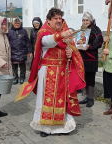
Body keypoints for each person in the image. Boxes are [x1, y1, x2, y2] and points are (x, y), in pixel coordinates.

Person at [28, 8, 86, 137]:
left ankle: (63, 127)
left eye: (60, 18)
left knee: (62, 100)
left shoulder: (64, 32)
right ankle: (45, 128)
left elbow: (70, 48)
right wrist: (62, 35)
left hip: (62, 72)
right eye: (55, 18)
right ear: (48, 20)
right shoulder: (44, 32)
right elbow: (48, 41)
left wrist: (70, 53)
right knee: (45, 100)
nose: (59, 21)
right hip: (47, 70)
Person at [78, 12, 103, 107]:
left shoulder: (96, 29)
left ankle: (91, 98)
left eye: (87, 20)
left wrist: (90, 46)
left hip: (91, 58)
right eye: (83, 20)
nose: (85, 22)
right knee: (85, 78)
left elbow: (100, 42)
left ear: (91, 20)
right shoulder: (82, 29)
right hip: (83, 57)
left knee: (91, 78)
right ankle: (86, 97)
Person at [7, 18, 29, 85]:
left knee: (22, 67)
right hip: (13, 52)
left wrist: (28, 50)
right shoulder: (9, 31)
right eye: (15, 24)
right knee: (14, 67)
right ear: (13, 24)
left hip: (22, 51)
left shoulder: (24, 31)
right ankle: (15, 78)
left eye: (18, 24)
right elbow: (7, 42)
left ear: (20, 24)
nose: (17, 25)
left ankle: (22, 78)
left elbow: (27, 41)